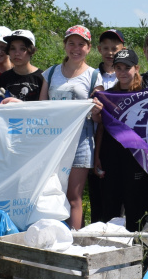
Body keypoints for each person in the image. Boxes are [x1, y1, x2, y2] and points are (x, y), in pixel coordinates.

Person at [40, 25, 103, 230]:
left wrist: (96, 110)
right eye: (71, 43)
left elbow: (98, 119)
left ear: (89, 48)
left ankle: (74, 243)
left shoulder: (94, 76)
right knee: (52, 192)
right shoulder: (49, 74)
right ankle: (54, 237)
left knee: (73, 196)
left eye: (81, 44)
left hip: (81, 141)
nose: (76, 48)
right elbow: (40, 109)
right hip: (53, 140)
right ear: (65, 45)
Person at [94, 49, 148, 231]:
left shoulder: (145, 94)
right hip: (111, 156)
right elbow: (101, 128)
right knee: (111, 207)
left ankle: (139, 249)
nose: (122, 72)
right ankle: (112, 247)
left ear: (137, 68)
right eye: (118, 68)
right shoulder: (108, 95)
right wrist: (97, 156)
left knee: (136, 205)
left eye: (127, 68)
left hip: (136, 158)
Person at [0, 30, 44, 101]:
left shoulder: (42, 77)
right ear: (8, 51)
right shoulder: (4, 78)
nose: (17, 53)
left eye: (22, 49)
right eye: (13, 48)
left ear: (31, 51)